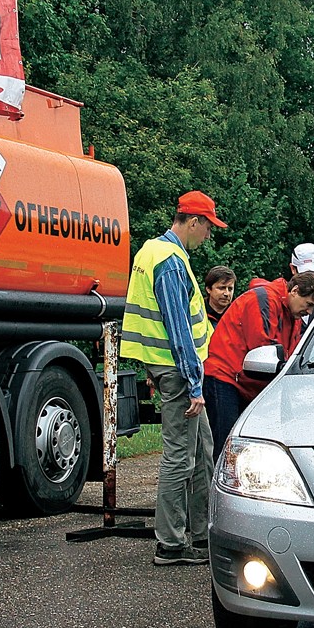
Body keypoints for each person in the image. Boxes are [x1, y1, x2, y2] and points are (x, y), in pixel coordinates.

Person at [119, 190, 225, 566]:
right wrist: (194, 384)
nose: (209, 236)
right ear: (193, 222)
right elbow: (178, 329)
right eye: (208, 228)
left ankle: (201, 534)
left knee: (203, 453)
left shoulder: (151, 251)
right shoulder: (170, 262)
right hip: (181, 374)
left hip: (168, 370)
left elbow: (152, 322)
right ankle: (170, 544)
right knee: (180, 458)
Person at [203, 272, 314, 462]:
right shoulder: (264, 300)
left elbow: (291, 356)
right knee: (226, 451)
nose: (309, 312)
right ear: (294, 291)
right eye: (309, 304)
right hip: (225, 377)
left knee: (244, 450)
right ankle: (216, 490)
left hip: (245, 382)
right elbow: (264, 349)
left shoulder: (290, 314)